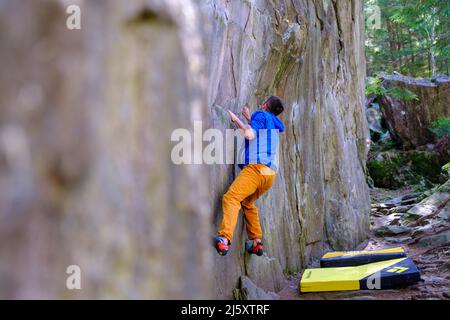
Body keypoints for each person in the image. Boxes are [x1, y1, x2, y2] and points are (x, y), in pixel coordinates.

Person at [214, 96, 285, 256]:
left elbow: (250, 135)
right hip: (269, 174)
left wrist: (236, 120)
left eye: (264, 102)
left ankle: (224, 240)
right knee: (247, 202)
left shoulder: (260, 114)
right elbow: (259, 131)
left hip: (256, 169)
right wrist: (248, 117)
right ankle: (256, 242)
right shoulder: (273, 122)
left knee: (231, 198)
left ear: (265, 105)